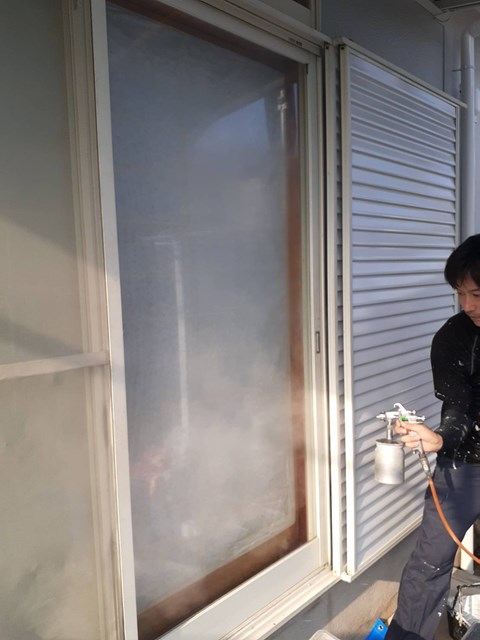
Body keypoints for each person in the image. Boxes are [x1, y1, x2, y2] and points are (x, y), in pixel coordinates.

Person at [385, 233, 480, 640]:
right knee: (429, 562)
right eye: (460, 294)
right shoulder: (453, 336)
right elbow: (459, 404)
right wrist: (441, 438)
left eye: (477, 294)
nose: (467, 305)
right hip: (463, 464)